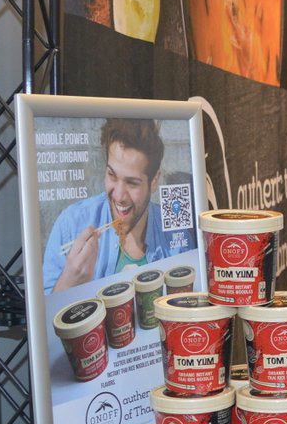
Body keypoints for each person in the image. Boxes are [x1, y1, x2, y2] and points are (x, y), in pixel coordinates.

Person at [43, 118, 195, 294]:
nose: (118, 196)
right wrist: (69, 282)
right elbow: (45, 308)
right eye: (112, 175)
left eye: (132, 183)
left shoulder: (175, 233)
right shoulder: (71, 224)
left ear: (154, 181)